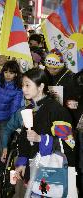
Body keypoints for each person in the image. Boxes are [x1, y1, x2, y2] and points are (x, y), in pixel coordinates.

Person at [13, 68, 76, 197]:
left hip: (51, 171)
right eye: (22, 85)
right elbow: (25, 138)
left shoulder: (56, 111)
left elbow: (69, 144)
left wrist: (42, 139)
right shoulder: (30, 108)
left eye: (27, 85)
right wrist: (22, 161)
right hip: (32, 169)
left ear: (41, 86)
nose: (23, 89)